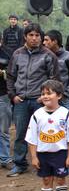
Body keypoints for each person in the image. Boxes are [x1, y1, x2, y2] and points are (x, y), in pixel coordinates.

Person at [6, 23, 59, 177]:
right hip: (21, 100)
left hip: (40, 101)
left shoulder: (48, 55)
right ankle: (19, 164)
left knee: (44, 133)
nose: (34, 38)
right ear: (25, 36)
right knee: (21, 133)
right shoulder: (17, 54)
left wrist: (45, 98)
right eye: (31, 35)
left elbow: (54, 79)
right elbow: (10, 76)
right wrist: (13, 95)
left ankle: (45, 165)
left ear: (41, 38)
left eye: (37, 35)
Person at [25, 80, 69, 191]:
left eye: (49, 93)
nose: (45, 96)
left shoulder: (66, 114)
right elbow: (32, 139)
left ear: (59, 96)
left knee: (60, 179)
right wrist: (33, 157)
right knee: (46, 179)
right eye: (43, 94)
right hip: (43, 153)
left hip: (60, 153)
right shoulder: (37, 115)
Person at [43, 30, 69, 110]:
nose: (44, 43)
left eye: (46, 40)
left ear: (54, 41)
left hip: (64, 98)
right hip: (47, 97)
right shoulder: (44, 57)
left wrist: (66, 94)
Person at [0, 34, 13, 170]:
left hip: (3, 95)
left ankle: (4, 158)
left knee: (3, 129)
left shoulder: (8, 53)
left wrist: (3, 73)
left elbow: (12, 73)